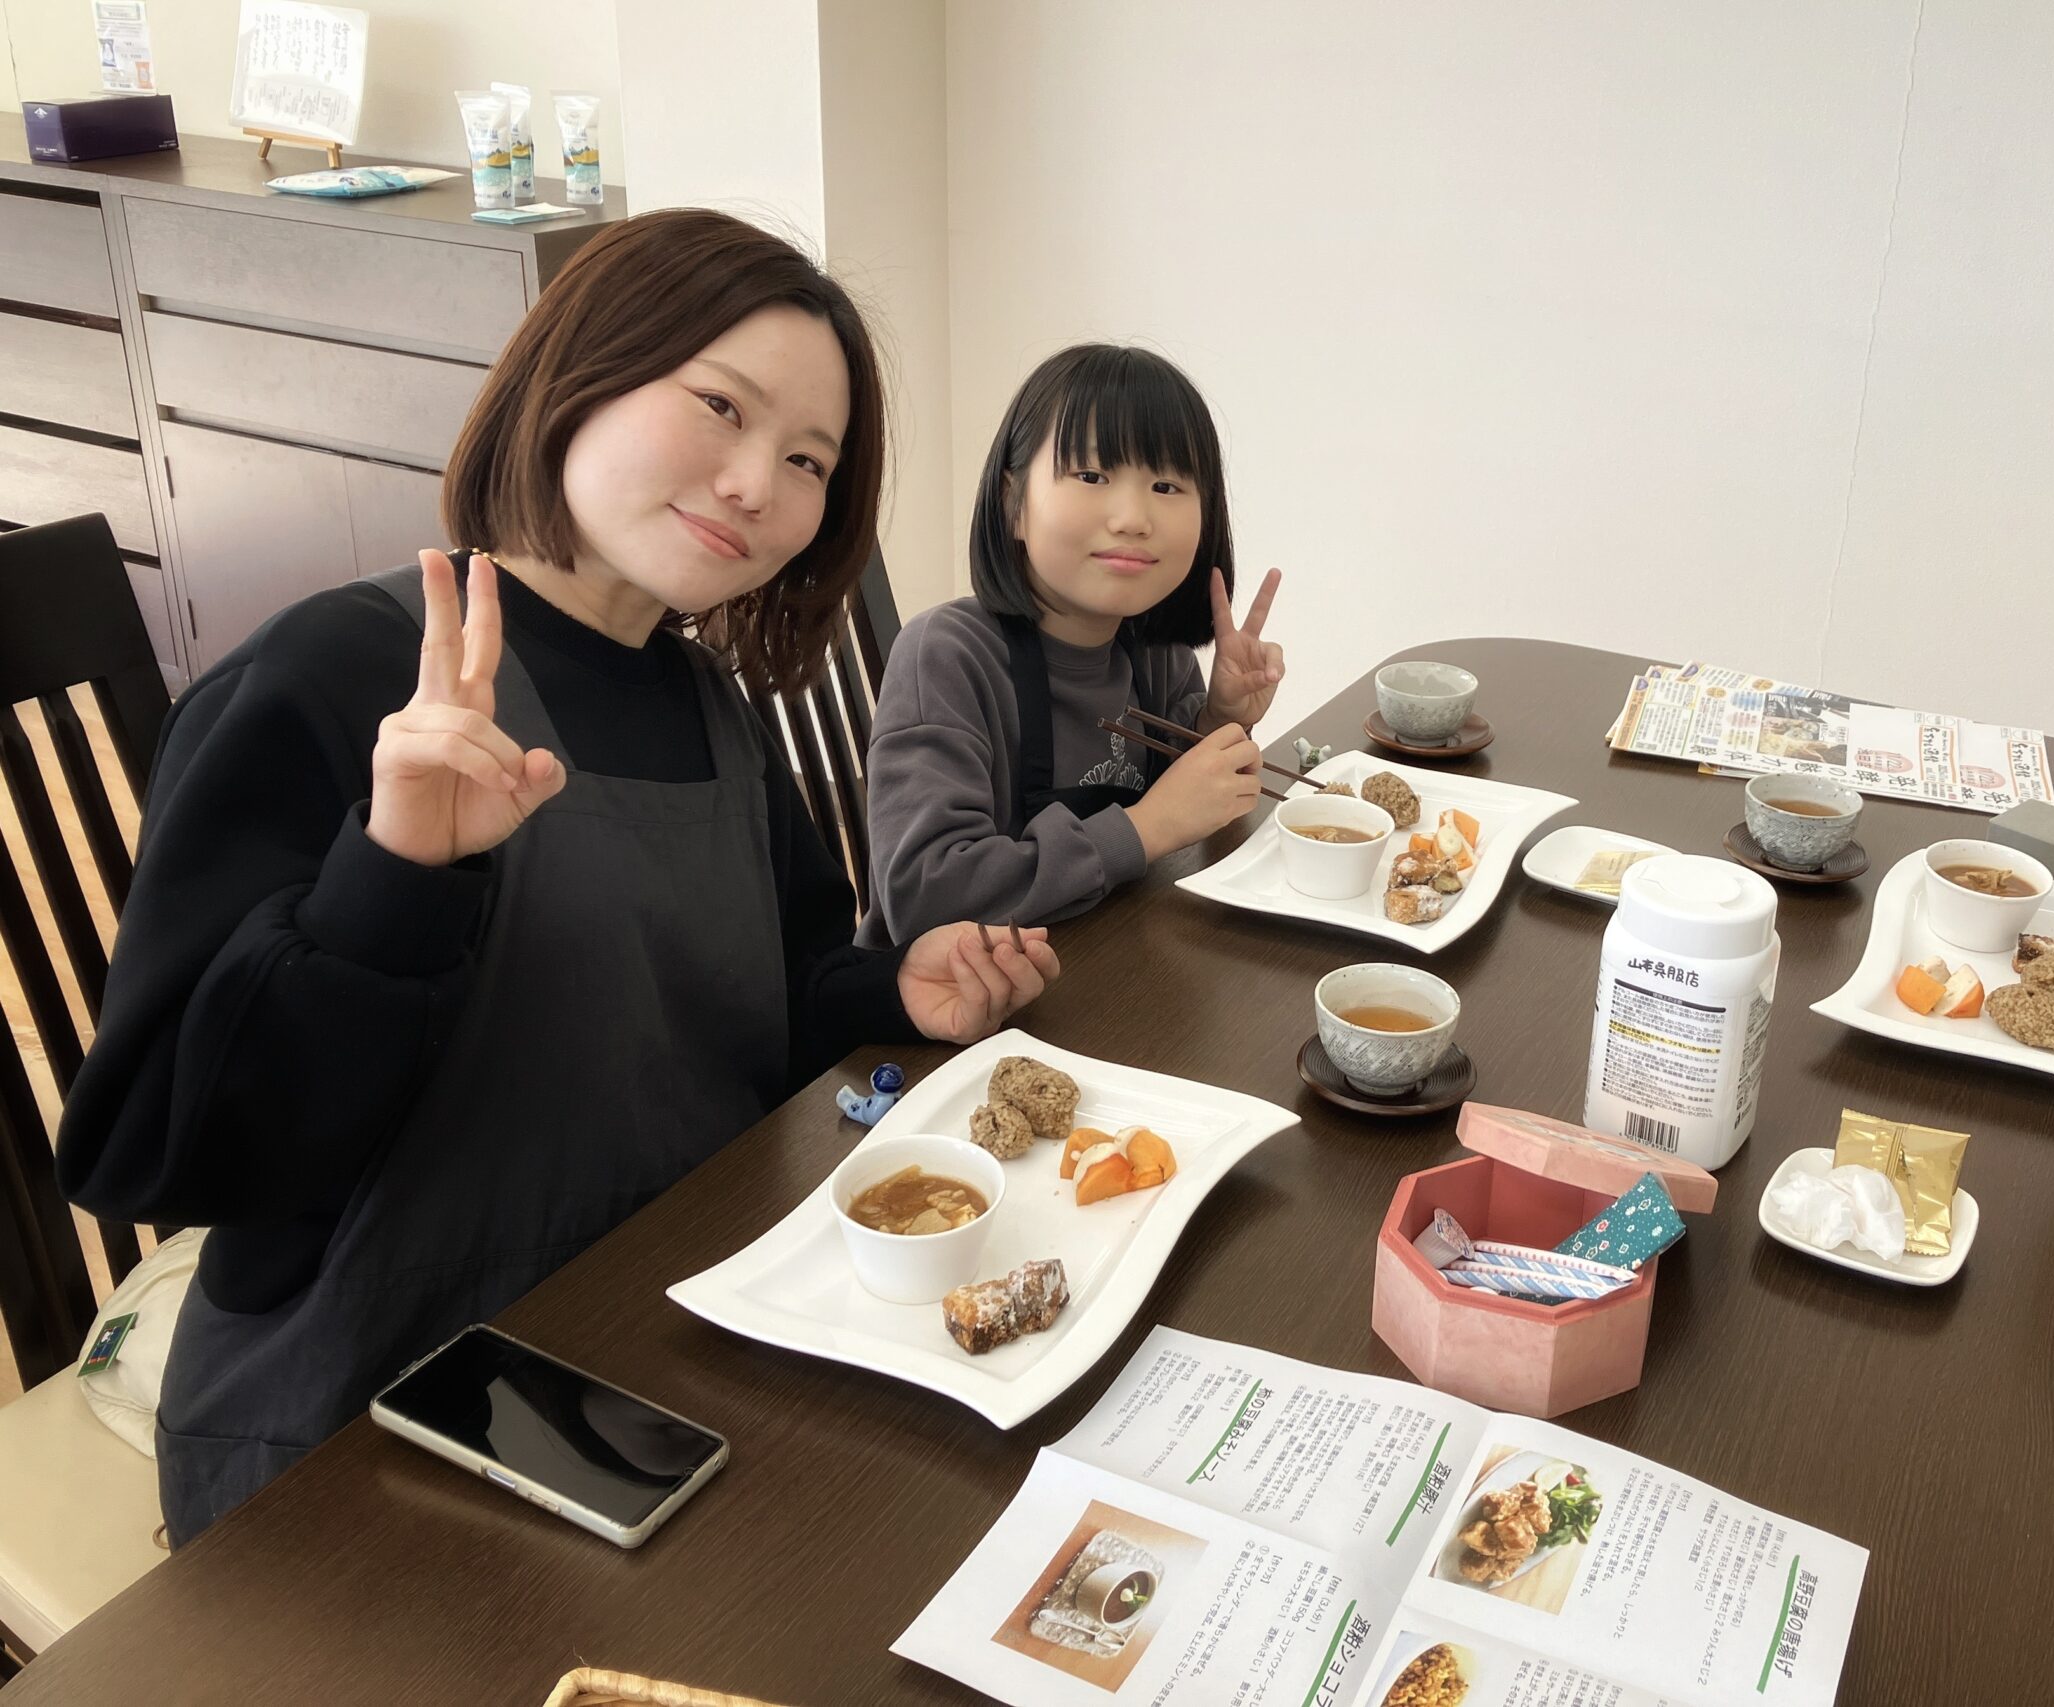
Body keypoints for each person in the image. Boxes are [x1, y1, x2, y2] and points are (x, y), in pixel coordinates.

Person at [56, 208, 1060, 1546]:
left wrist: (892, 987)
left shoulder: (707, 703)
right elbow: (155, 1151)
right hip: (370, 1425)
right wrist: (394, 873)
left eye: (806, 459)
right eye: (720, 405)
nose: (754, 483)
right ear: (577, 374)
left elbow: (757, 1011)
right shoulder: (333, 678)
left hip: (669, 1349)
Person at [854, 344, 1286, 946]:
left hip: (1115, 959)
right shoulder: (947, 656)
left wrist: (1219, 721)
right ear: (1013, 504)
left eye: (1166, 485)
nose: (1133, 518)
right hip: (967, 995)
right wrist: (1144, 828)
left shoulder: (1158, 656)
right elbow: (924, 899)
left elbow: (1190, 824)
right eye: (1091, 476)